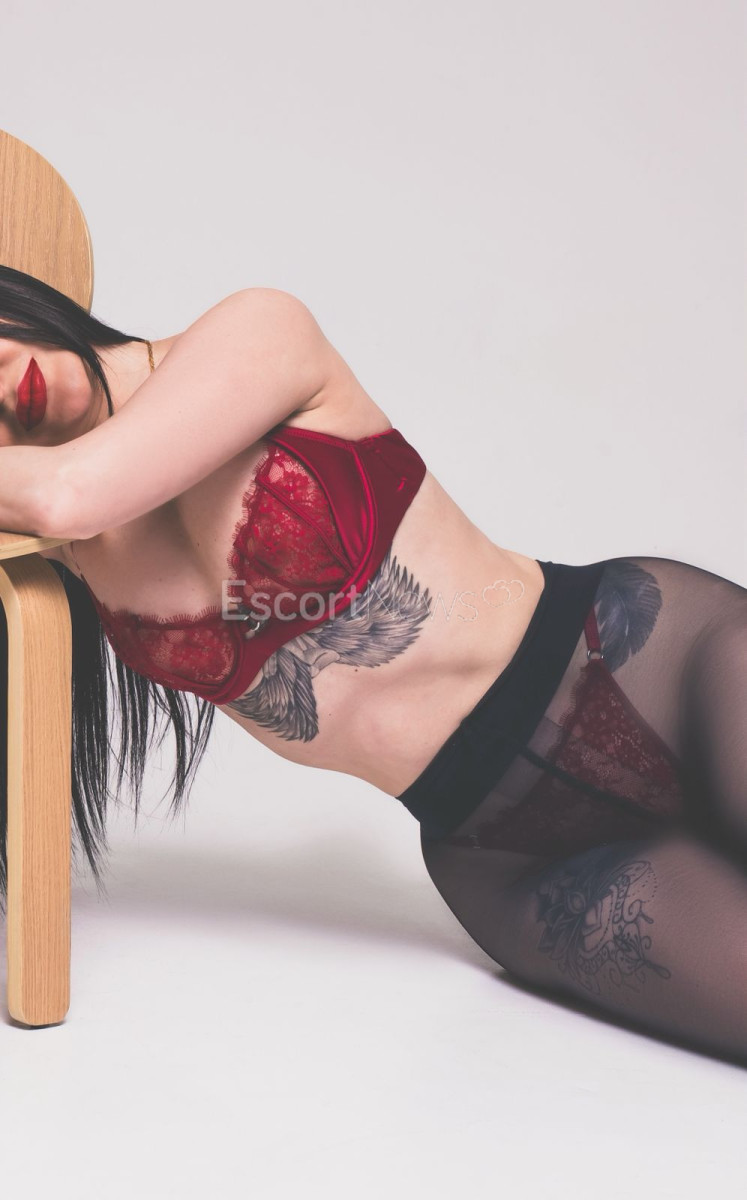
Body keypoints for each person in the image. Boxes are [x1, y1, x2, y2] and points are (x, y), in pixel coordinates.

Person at [0, 264, 745, 1063]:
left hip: (646, 667)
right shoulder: (53, 548)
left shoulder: (255, 328)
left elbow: (71, 493)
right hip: (508, 855)